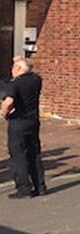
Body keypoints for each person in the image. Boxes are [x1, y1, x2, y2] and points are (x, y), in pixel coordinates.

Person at [3, 57, 46, 199]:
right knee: (34, 153)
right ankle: (40, 186)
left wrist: (5, 113)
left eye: (14, 67)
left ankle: (24, 188)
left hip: (19, 122)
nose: (12, 70)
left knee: (18, 155)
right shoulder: (36, 79)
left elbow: (8, 102)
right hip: (33, 120)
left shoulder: (15, 84)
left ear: (19, 69)